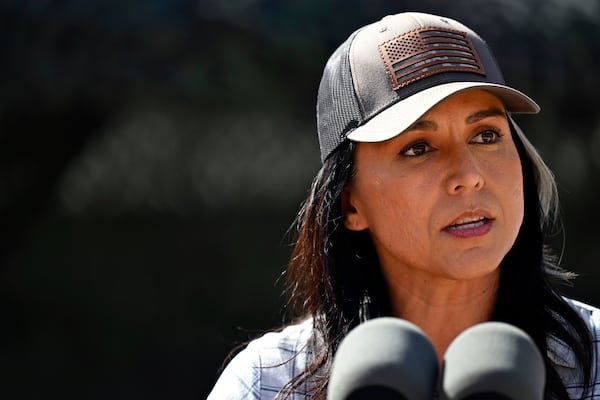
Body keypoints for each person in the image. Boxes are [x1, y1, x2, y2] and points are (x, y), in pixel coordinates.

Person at [208, 11, 600, 400]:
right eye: (418, 148)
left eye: (486, 135)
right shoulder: (268, 383)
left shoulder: (595, 361)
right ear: (350, 205)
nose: (468, 175)